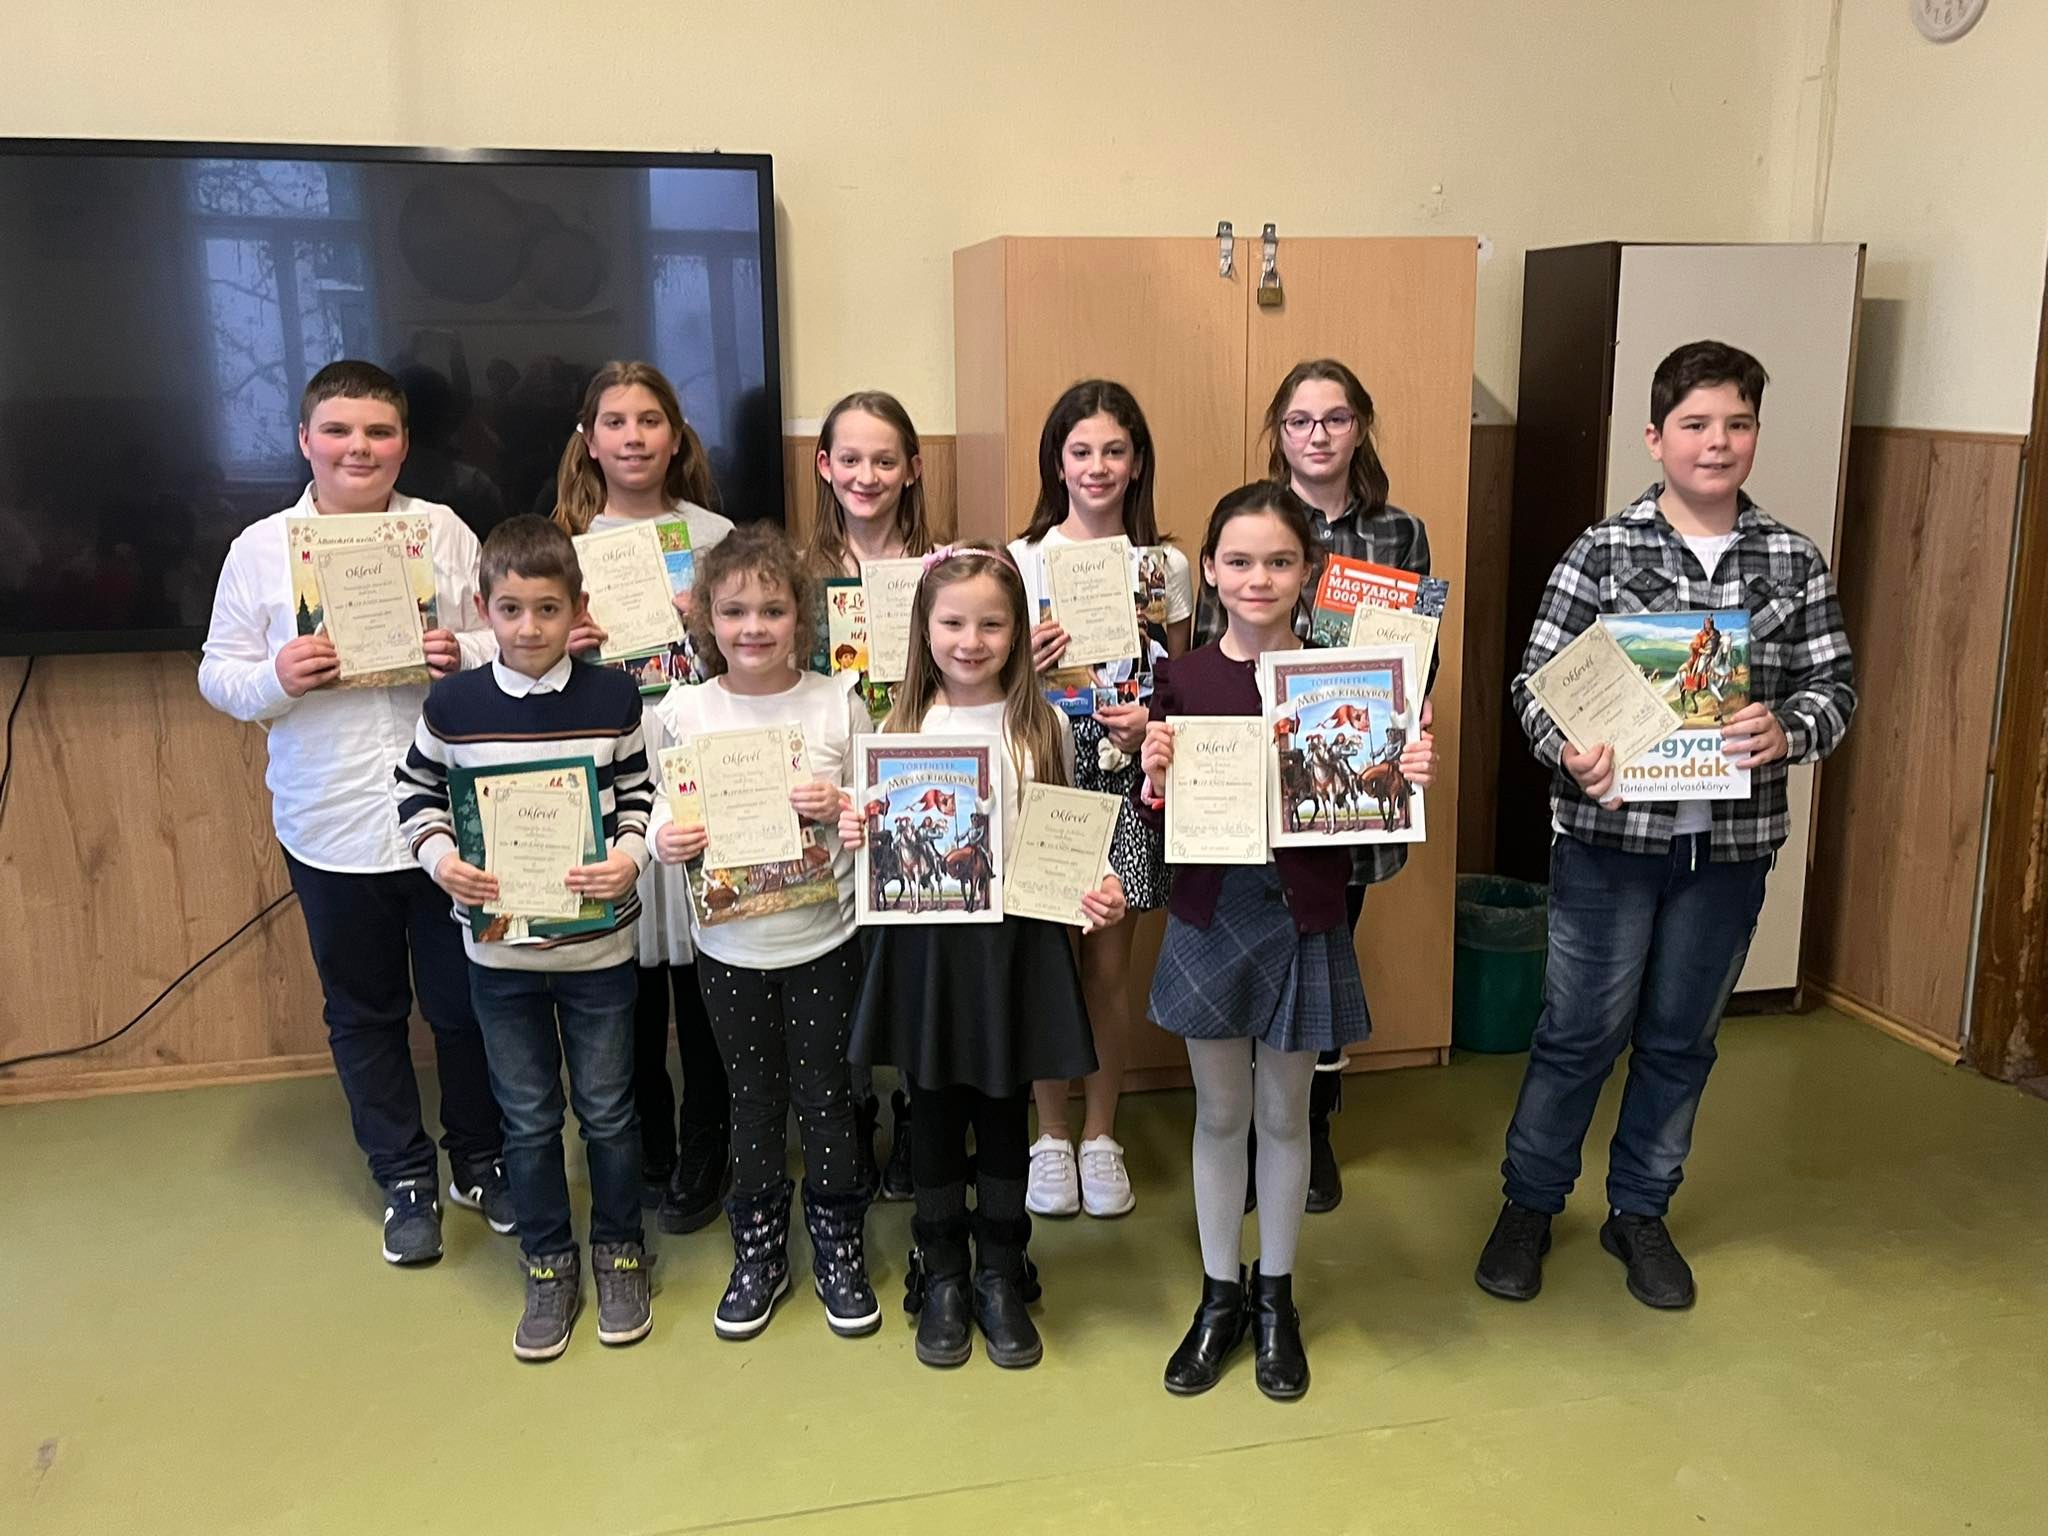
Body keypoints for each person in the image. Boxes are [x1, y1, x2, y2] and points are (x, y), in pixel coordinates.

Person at [1476, 340, 1857, 1311]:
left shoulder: (1791, 559)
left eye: (1736, 423)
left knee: (1682, 1038)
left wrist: (1788, 727)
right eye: (1694, 424)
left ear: (1756, 434)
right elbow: (1535, 686)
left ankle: (1638, 1211)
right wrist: (1569, 749)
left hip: (1727, 850)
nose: (1715, 442)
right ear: (1655, 437)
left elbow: (1833, 685)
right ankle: (1529, 1204)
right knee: (1577, 1032)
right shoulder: (1600, 553)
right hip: (1608, 845)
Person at [198, 360, 510, 1267]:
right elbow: (217, 671)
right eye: (337, 430)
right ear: (306, 440)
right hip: (329, 821)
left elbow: (509, 632)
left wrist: (465, 651)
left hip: (448, 815)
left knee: (466, 1003)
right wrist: (277, 676)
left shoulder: (442, 531)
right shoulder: (261, 548)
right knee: (365, 1012)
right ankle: (404, 1177)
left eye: (378, 432)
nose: (358, 448)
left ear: (403, 444)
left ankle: (477, 1160)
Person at [1139, 481, 1438, 1400]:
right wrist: (1153, 778)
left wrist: (1405, 767)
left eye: (1278, 561)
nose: (1257, 579)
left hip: (1306, 915)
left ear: (1309, 570)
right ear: (1209, 571)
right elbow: (1159, 828)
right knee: (1220, 1115)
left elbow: (1369, 821)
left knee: (1286, 1116)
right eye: (1238, 561)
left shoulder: (1350, 681)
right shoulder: (1183, 678)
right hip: (1210, 915)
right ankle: (1218, 1296)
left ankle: (1277, 1298)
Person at [840, 546, 1126, 1369]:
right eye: (953, 623)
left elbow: (1065, 839)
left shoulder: (1043, 727)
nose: (971, 641)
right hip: (926, 953)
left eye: (992, 624)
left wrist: (1098, 886)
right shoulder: (898, 728)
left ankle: (1001, 1265)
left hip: (1015, 951)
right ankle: (943, 1269)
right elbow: (875, 842)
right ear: (923, 629)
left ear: (1019, 631)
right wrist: (856, 830)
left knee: (1005, 1111)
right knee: (931, 1110)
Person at [394, 515, 656, 1361]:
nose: (530, 628)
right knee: (529, 1117)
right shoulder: (453, 706)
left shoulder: (614, 698)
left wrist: (628, 857)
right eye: (511, 610)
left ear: (577, 607)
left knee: (609, 1112)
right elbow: (416, 792)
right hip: (499, 955)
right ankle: (548, 1261)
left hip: (598, 953)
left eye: (548, 609)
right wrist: (441, 862)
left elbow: (642, 793)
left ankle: (619, 1250)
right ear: (485, 610)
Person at [1196, 359, 1438, 1215]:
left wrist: (1409, 717)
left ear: (1360, 427)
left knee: (1321, 958)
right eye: (1300, 420)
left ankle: (1311, 1126)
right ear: (1280, 431)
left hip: (1344, 787)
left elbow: (1417, 654)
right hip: (1249, 789)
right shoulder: (1253, 520)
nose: (1318, 435)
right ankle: (1245, 1134)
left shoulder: (1399, 532)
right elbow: (1208, 650)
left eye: (1336, 418)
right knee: (1247, 960)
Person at [648, 524, 878, 1340]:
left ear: (801, 620)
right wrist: (664, 840)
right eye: (735, 610)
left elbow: (871, 812)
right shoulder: (684, 710)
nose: (754, 627)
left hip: (824, 941)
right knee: (751, 1102)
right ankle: (759, 1249)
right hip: (729, 951)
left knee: (827, 1097)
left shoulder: (836, 702)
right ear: (707, 618)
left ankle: (839, 1240)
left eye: (773, 611)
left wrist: (840, 806)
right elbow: (660, 807)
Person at [552, 361, 736, 1238]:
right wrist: (561, 645)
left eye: (650, 420)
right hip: (604, 766)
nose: (633, 437)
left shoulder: (715, 536)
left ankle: (706, 1144)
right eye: (616, 422)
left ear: (676, 436)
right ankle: (648, 1144)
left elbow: (758, 653)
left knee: (704, 970)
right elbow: (512, 656)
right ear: (589, 439)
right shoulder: (563, 544)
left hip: (700, 760)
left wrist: (706, 628)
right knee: (622, 980)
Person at [1008, 380, 1192, 1221]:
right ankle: (1050, 1133)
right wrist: (1025, 661)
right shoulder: (1021, 559)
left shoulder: (1165, 567)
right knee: (1047, 961)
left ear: (1138, 461)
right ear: (1056, 461)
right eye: (1080, 450)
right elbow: (977, 674)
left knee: (1108, 969)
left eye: (1114, 450)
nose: (1097, 466)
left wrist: (1149, 719)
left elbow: (1181, 681)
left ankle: (1102, 1135)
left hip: (1124, 773)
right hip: (1044, 766)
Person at [803, 389, 937, 1202]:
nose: (867, 475)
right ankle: (851, 1110)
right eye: (850, 459)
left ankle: (920, 1112)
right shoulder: (798, 575)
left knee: (918, 956)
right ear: (824, 466)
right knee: (841, 962)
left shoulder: (945, 567)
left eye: (885, 460)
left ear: (913, 468)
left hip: (921, 786)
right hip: (832, 796)